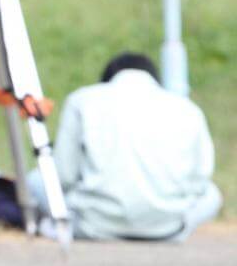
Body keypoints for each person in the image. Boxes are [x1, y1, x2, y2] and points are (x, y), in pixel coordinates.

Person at [29, 52, 220, 241]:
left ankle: (59, 225)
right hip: (166, 228)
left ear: (106, 79)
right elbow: (199, 179)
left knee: (35, 178)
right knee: (212, 194)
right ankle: (176, 227)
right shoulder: (187, 108)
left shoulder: (82, 100)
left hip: (93, 225)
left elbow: (64, 175)